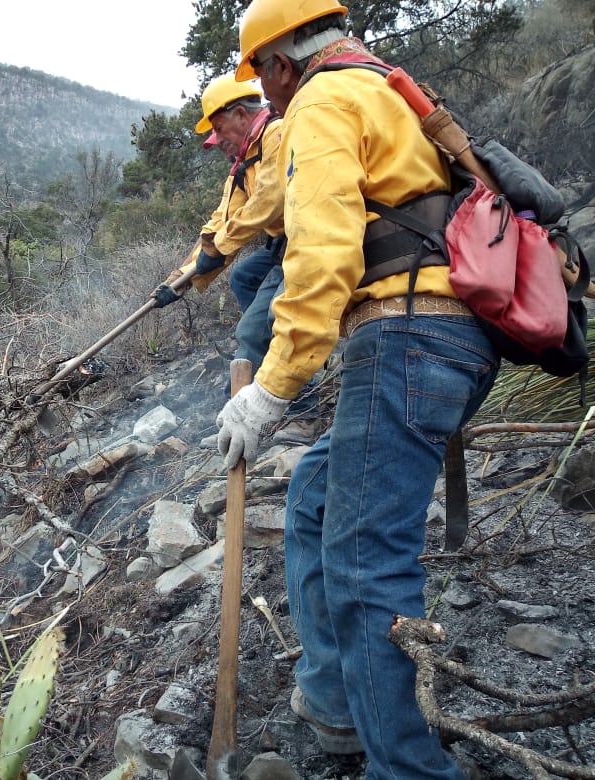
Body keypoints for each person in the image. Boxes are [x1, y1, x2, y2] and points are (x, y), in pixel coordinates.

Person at [216, 1, 500, 778]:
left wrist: (272, 390)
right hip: (462, 339)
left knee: (366, 567)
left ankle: (405, 767)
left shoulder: (323, 99)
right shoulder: (386, 88)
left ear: (280, 62)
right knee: (313, 494)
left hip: (409, 336)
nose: (267, 101)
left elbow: (324, 256)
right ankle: (341, 704)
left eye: (264, 81)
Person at [152, 73, 285, 375]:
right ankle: (269, 347)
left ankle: (296, 392)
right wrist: (179, 279)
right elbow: (219, 223)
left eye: (219, 129)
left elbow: (269, 201)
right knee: (243, 277)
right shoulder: (243, 163)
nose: (219, 141)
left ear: (240, 114)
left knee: (263, 323)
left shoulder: (277, 135)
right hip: (281, 245)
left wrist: (217, 250)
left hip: (308, 239)